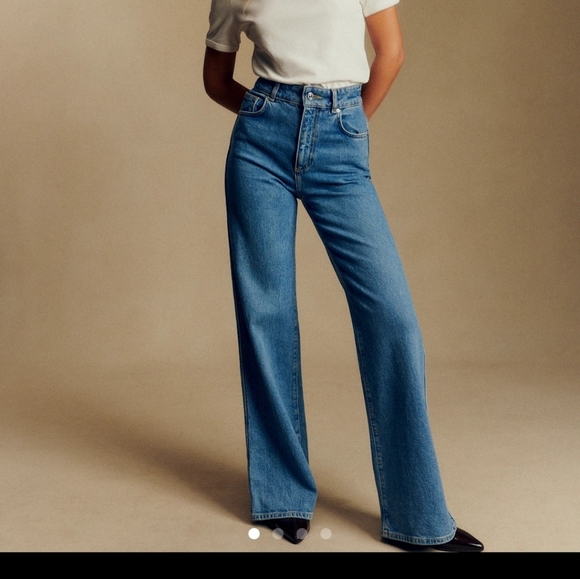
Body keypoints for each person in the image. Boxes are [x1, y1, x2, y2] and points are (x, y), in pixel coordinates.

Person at [203, 0, 483, 552]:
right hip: (259, 147)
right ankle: (281, 497)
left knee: (393, 321)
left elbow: (391, 52)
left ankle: (418, 517)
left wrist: (346, 125)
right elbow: (216, 78)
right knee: (266, 314)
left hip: (339, 136)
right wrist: (267, 115)